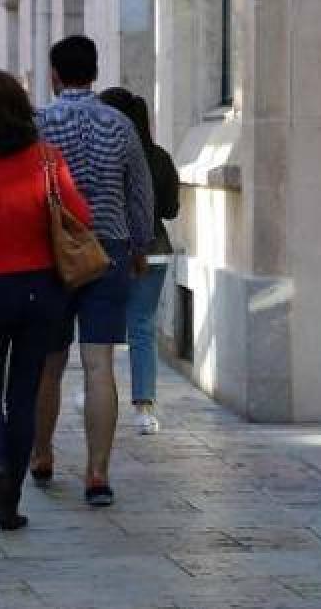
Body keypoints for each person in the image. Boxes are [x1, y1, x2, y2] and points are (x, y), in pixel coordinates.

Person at [0, 70, 92, 529]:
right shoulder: (48, 159)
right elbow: (80, 215)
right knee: (24, 393)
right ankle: (9, 501)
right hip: (41, 288)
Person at [30, 36, 155, 507]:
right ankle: (97, 472)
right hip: (110, 249)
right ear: (96, 72)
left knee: (49, 363)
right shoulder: (120, 124)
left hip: (53, 253)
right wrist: (140, 245)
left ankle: (42, 454)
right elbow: (140, 193)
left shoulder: (38, 124)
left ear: (55, 74)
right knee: (99, 363)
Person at [98, 88, 180, 436]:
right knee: (142, 326)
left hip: (111, 248)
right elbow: (171, 210)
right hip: (154, 248)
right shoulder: (158, 156)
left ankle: (95, 392)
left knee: (100, 326)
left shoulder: (105, 156)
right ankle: (144, 407)